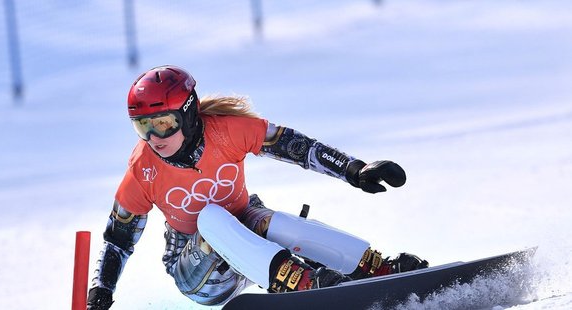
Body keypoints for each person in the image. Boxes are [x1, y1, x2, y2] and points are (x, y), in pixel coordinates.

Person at [86, 65, 428, 309]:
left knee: (273, 221)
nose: (154, 138)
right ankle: (301, 282)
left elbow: (300, 148)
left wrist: (355, 170)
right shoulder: (143, 168)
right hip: (199, 273)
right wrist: (101, 290)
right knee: (210, 218)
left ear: (189, 114)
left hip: (250, 237)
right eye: (142, 127)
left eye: (163, 124)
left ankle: (373, 267)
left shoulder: (227, 131)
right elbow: (117, 240)